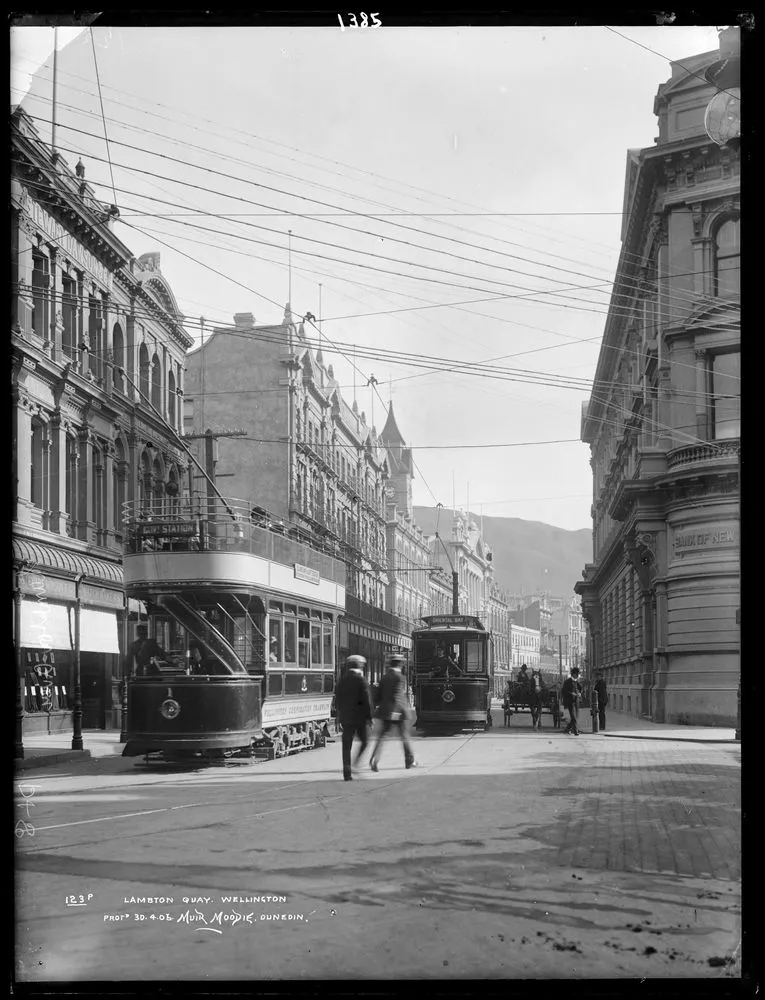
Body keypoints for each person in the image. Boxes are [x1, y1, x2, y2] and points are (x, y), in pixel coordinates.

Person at [369, 654, 416, 772]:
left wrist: (376, 709)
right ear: (400, 664)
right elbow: (397, 695)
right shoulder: (400, 677)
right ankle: (409, 761)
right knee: (404, 736)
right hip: (398, 712)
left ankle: (375, 759)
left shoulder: (384, 677)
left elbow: (378, 695)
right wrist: (395, 711)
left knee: (382, 736)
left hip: (385, 711)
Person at [333, 655, 373, 781]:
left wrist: (340, 716)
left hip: (346, 718)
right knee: (365, 742)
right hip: (360, 719)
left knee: (346, 746)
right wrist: (370, 717)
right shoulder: (361, 680)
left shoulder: (342, 680)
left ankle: (347, 773)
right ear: (360, 666)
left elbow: (337, 699)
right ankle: (356, 763)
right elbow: (367, 700)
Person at [561, 667, 583, 735]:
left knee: (576, 717)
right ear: (573, 674)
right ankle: (576, 731)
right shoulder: (567, 682)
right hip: (570, 702)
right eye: (576, 674)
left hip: (576, 701)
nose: (577, 675)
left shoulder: (577, 682)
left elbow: (581, 689)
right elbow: (564, 691)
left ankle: (568, 728)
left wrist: (579, 693)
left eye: (578, 674)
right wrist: (571, 693)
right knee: (573, 716)